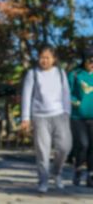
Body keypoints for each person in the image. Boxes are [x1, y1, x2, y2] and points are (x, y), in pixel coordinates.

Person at [21, 47, 72, 193]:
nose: (44, 60)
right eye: (42, 57)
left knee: (64, 147)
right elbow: (26, 95)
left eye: (47, 57)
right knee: (42, 151)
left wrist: (67, 112)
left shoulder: (61, 73)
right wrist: (25, 118)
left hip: (60, 115)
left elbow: (66, 94)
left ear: (54, 59)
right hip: (40, 117)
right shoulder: (33, 74)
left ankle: (56, 172)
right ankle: (43, 181)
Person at [69, 46, 93, 187]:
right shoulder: (75, 74)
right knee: (83, 144)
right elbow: (67, 93)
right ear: (84, 60)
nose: (92, 63)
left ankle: (91, 175)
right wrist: (75, 102)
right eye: (90, 60)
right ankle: (78, 168)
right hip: (78, 117)